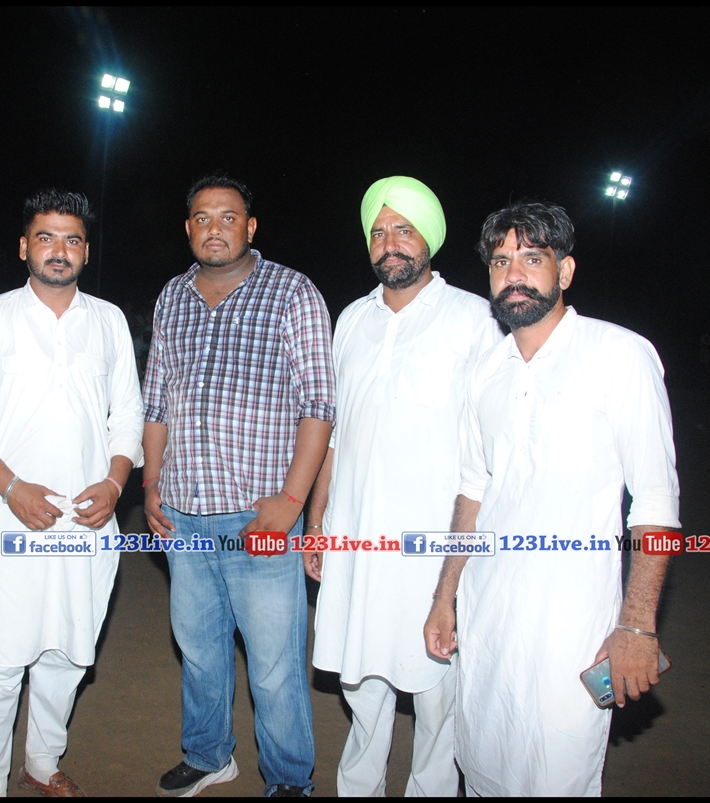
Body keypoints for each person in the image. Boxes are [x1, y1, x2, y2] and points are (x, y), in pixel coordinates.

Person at [422, 202, 680, 796]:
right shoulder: (485, 370)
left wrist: (637, 627)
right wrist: (444, 597)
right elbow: (473, 491)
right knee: (482, 766)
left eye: (531, 258)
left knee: (557, 772)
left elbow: (655, 503)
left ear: (564, 271)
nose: (513, 274)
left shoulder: (619, 355)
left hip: (572, 622)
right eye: (500, 262)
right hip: (488, 616)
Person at [0, 189, 143, 797]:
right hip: (4, 520)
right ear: (24, 246)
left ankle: (42, 761)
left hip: (85, 521)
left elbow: (127, 417)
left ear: (86, 251)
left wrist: (115, 483)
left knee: (68, 652)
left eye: (72, 239)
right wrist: (11, 488)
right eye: (47, 237)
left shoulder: (108, 321)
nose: (60, 250)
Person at [305, 177, 501, 796]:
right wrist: (317, 520)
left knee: (439, 691)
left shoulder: (475, 319)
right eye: (378, 232)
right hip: (356, 535)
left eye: (403, 230)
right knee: (361, 681)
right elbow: (336, 433)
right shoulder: (351, 319)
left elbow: (489, 445)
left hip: (433, 542)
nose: (389, 243)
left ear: (430, 239)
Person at [143, 175, 335, 797]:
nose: (215, 228)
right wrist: (151, 483)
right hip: (184, 513)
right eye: (202, 217)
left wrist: (291, 503)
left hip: (261, 519)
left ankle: (289, 782)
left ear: (250, 227)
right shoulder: (172, 297)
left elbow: (319, 405)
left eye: (228, 216)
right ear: (188, 229)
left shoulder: (292, 291)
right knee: (200, 652)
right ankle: (208, 755)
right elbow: (156, 401)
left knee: (274, 665)